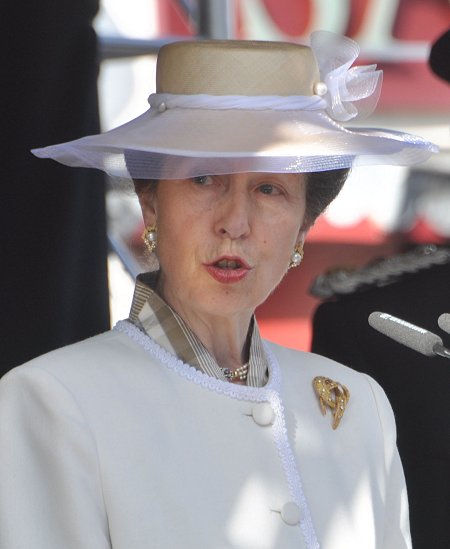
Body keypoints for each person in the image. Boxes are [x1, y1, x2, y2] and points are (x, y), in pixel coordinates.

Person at [0, 32, 437, 549]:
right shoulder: (54, 399)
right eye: (204, 179)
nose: (235, 222)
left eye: (269, 189)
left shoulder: (358, 403)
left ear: (302, 228)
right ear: (152, 204)